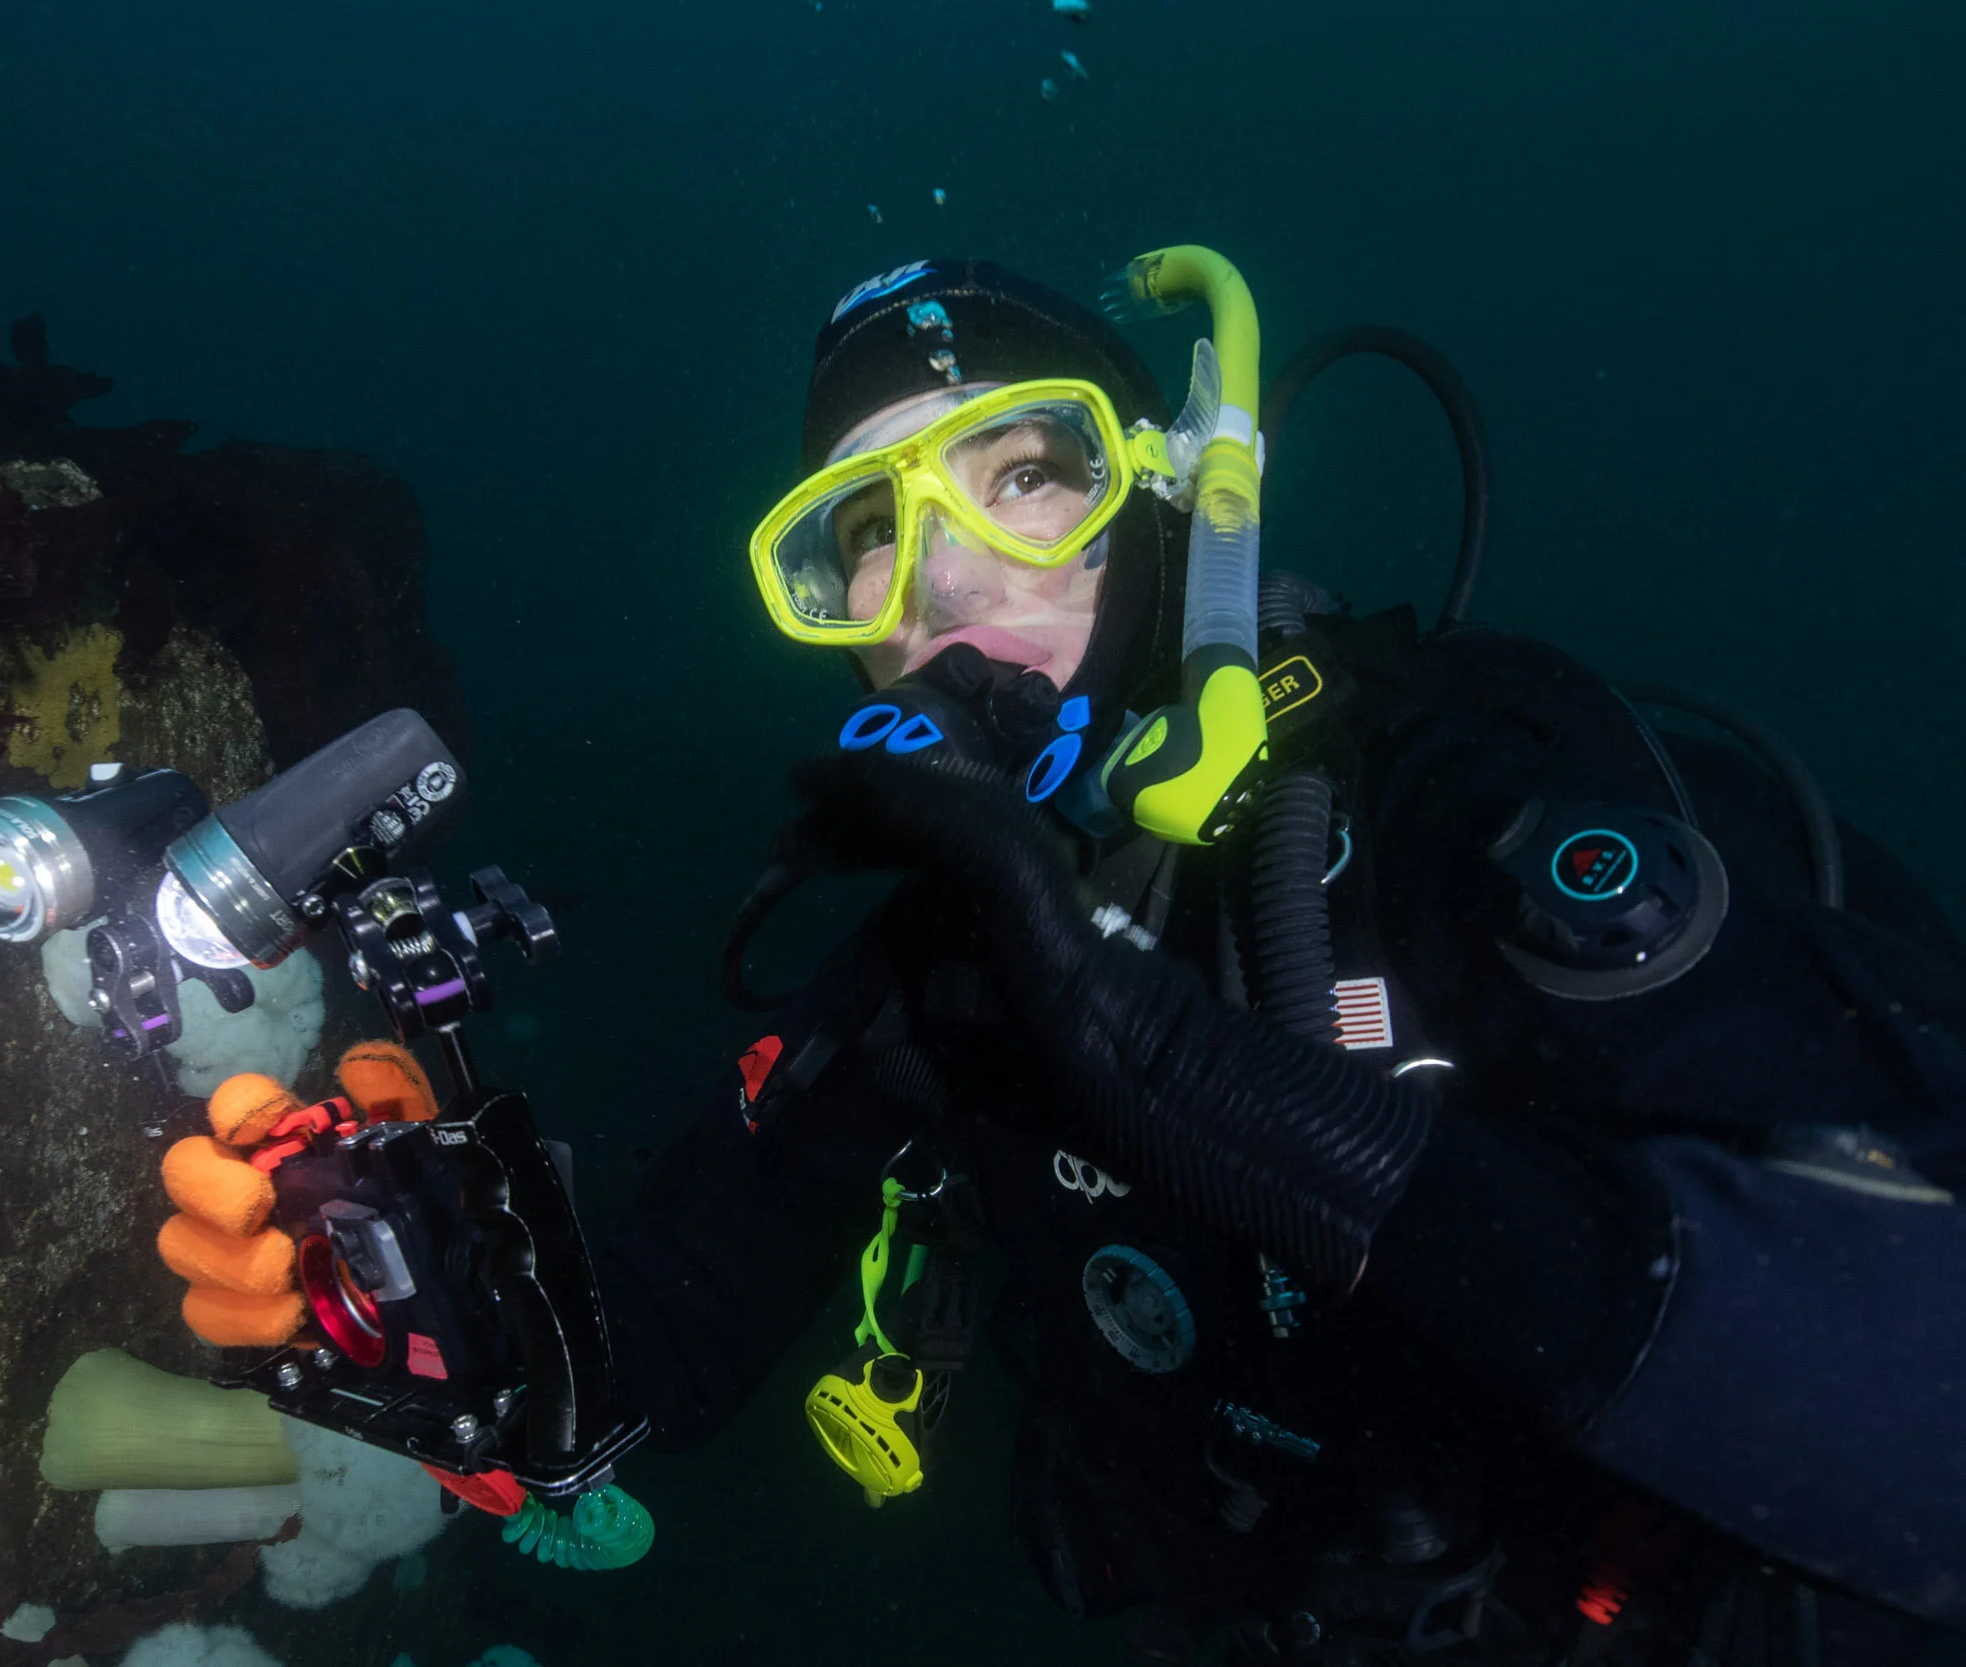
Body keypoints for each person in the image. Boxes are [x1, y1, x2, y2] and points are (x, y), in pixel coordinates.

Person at [589, 256, 1966, 1664]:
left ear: (1168, 496)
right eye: (872, 528)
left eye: (1024, 475)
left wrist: (1178, 1064)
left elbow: (1922, 1401)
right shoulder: (942, 964)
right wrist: (476, 1312)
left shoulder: (1451, 802)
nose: (943, 575)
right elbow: (663, 1329)